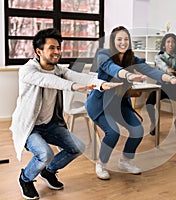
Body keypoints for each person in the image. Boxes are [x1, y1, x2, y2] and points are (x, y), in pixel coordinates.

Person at [10, 28, 121, 200]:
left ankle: (49, 172)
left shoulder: (59, 69)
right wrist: (73, 86)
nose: (57, 52)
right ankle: (25, 178)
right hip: (30, 127)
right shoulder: (27, 71)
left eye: (58, 47)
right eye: (52, 48)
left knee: (77, 148)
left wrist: (100, 84)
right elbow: (49, 81)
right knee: (45, 154)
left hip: (50, 124)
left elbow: (79, 76)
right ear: (39, 51)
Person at [85, 26, 176, 180]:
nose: (123, 42)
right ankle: (101, 163)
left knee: (137, 130)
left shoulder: (132, 58)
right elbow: (112, 68)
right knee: (112, 133)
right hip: (100, 104)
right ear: (113, 41)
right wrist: (128, 75)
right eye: (119, 39)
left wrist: (172, 79)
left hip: (120, 103)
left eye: (126, 39)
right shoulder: (103, 55)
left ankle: (125, 161)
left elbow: (152, 71)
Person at [146, 33, 176, 135]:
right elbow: (162, 65)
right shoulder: (159, 57)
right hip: (159, 86)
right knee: (149, 104)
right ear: (164, 44)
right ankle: (153, 123)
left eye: (173, 42)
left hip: (172, 89)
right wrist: (169, 70)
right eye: (168, 42)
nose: (171, 44)